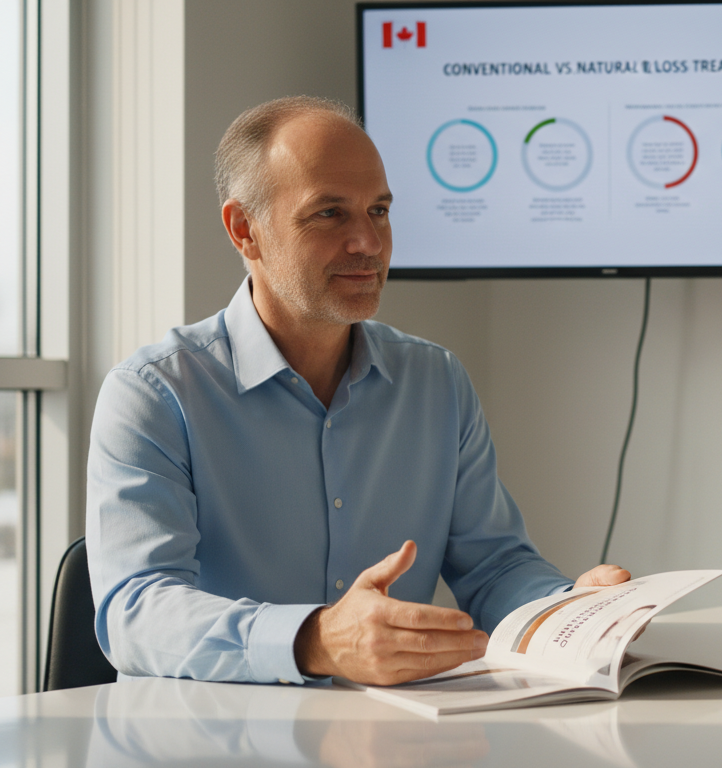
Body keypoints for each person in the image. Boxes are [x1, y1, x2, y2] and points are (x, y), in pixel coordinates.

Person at [86, 96, 629, 687]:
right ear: (246, 230)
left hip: (397, 734)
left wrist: (572, 609)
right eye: (329, 214)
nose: (368, 242)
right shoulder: (154, 394)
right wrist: (314, 640)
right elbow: (135, 612)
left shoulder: (436, 382)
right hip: (217, 739)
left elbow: (497, 569)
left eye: (379, 210)